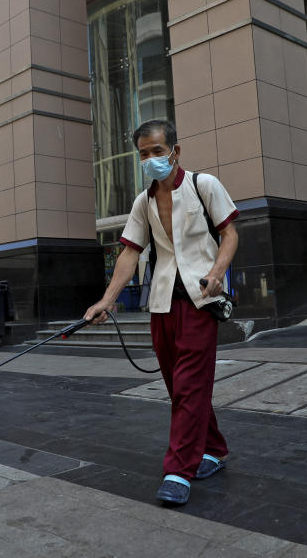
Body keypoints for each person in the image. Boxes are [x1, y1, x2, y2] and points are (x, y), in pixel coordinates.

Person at [84, 119, 239, 506]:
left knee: (189, 386)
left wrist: (217, 272)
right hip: (162, 303)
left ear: (175, 150)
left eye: (157, 151)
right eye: (143, 154)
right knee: (180, 387)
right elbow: (130, 252)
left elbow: (231, 234)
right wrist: (107, 300)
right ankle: (214, 448)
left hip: (201, 301)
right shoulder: (144, 201)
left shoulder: (204, 185)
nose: (151, 159)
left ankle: (178, 470)